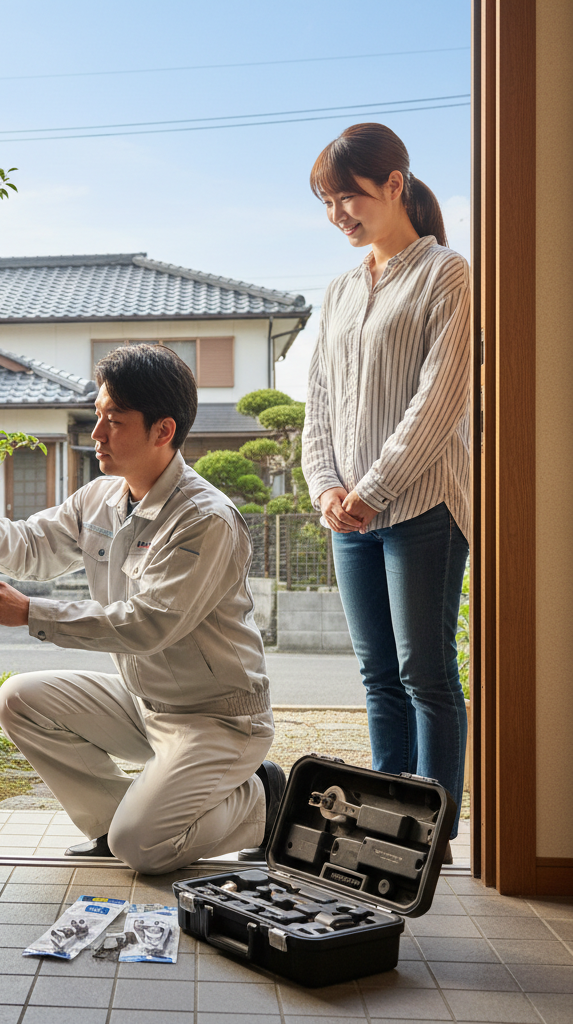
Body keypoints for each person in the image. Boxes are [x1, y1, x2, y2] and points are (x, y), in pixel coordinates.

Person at [0, 344, 285, 874]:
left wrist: (31, 613)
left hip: (216, 717)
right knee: (19, 700)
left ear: (162, 431)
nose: (96, 433)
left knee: (143, 849)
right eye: (98, 416)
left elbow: (150, 624)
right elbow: (34, 547)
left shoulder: (205, 519)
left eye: (114, 421)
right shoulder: (100, 497)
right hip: (145, 701)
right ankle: (110, 823)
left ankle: (262, 798)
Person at [301, 123, 471, 851]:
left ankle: (432, 839)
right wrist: (326, 491)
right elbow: (318, 406)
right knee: (376, 674)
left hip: (424, 506)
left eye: (349, 196)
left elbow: (438, 404)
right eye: (327, 201)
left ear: (394, 185)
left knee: (424, 672)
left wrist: (370, 489)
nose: (339, 213)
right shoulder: (338, 291)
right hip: (350, 515)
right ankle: (384, 831)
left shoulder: (447, 274)